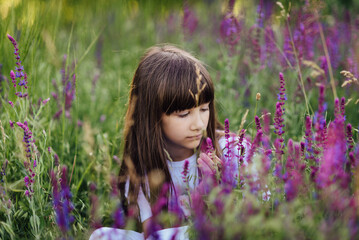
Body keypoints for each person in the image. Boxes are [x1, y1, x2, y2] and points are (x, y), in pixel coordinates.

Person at [90, 45, 248, 240]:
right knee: (101, 236)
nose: (198, 124)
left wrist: (217, 188)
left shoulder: (231, 149)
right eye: (184, 114)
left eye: (204, 109)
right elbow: (154, 234)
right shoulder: (144, 171)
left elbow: (260, 212)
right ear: (152, 116)